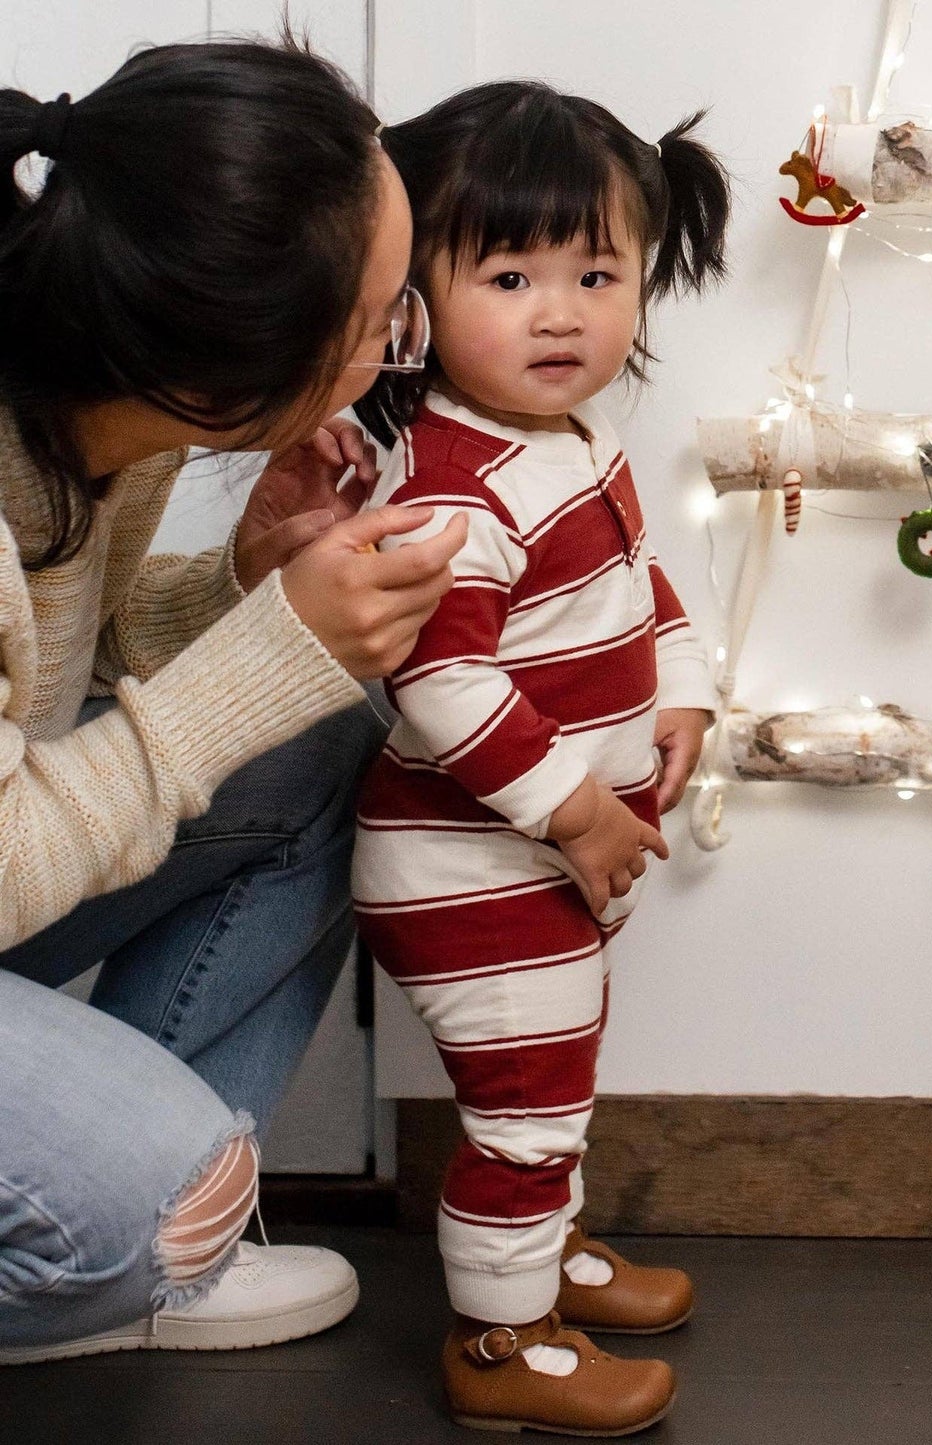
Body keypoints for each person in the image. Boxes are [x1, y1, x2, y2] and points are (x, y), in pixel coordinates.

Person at [0, 38, 466, 1362]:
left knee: (318, 743)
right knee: (153, 1205)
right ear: (215, 379)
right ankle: (106, 1246)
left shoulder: (96, 391)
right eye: (379, 322)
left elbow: (53, 678)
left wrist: (246, 585)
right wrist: (268, 654)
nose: (395, 349)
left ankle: (151, 1254)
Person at [351, 81, 729, 1434]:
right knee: (526, 1099)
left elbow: (637, 583)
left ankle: (541, 1253)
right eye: (509, 274)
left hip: (536, 857)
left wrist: (676, 691)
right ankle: (501, 1336)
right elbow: (438, 680)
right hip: (471, 865)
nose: (560, 310)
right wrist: (575, 809)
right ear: (412, 298)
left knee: (552, 1077)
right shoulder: (457, 486)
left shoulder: (573, 438)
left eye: (596, 272)